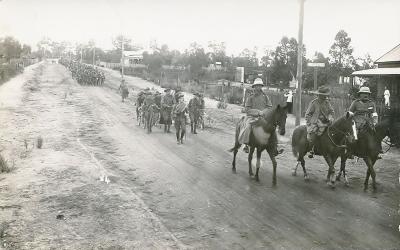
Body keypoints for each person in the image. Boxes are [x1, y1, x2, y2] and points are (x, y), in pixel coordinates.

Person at [238, 78, 282, 156]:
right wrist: (258, 112)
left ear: (261, 86)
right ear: (254, 87)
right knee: (248, 126)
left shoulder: (265, 97)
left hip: (263, 117)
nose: (258, 88)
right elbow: (247, 109)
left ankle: (276, 146)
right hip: (251, 117)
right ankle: (246, 144)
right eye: (257, 86)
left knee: (272, 127)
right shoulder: (250, 97)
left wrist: (263, 112)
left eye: (260, 86)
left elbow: (269, 107)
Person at [348, 86, 382, 156]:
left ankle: (377, 151)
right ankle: (351, 151)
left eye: (367, 94)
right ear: (360, 94)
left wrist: (375, 122)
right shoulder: (355, 102)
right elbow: (350, 112)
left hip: (368, 122)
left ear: (369, 95)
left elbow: (374, 114)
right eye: (363, 93)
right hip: (357, 122)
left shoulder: (371, 103)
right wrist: (349, 118)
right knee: (354, 135)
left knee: (376, 134)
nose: (365, 95)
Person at [305, 85, 335, 158]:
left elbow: (331, 112)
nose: (325, 97)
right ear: (319, 95)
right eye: (323, 95)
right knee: (315, 133)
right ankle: (312, 149)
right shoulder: (314, 103)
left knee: (334, 132)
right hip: (315, 122)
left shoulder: (327, 103)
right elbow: (308, 114)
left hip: (326, 121)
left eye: (326, 95)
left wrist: (330, 118)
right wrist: (312, 122)